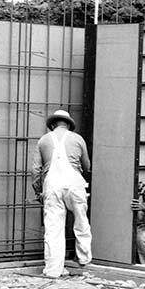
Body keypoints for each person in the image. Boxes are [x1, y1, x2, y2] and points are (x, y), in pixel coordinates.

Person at [32, 108, 92, 278]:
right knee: (81, 220)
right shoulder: (78, 139)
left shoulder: (43, 140)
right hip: (74, 183)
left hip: (52, 185)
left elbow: (35, 170)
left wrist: (38, 191)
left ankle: (53, 270)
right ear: (69, 125)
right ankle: (84, 259)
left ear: (52, 124)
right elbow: (87, 165)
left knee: (53, 228)